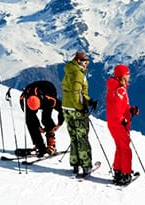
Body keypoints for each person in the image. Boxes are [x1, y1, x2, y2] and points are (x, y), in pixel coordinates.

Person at [61, 50, 97, 178]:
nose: (87, 64)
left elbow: (75, 92)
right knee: (82, 137)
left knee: (74, 136)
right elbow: (75, 93)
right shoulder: (78, 73)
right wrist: (81, 107)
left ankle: (75, 163)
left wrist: (89, 101)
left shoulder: (69, 70)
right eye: (85, 61)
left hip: (66, 107)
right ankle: (86, 166)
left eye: (88, 62)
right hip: (76, 109)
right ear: (78, 61)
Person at [106, 64, 139, 185]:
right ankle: (125, 173)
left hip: (113, 123)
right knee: (125, 149)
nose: (129, 76)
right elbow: (116, 109)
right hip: (119, 124)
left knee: (120, 147)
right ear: (122, 76)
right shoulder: (119, 90)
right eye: (127, 74)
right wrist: (122, 119)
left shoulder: (114, 87)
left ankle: (118, 171)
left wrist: (130, 110)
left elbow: (120, 106)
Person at [19, 80, 63, 156]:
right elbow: (31, 117)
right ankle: (39, 145)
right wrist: (38, 126)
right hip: (32, 91)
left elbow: (62, 109)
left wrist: (59, 123)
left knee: (46, 118)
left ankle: (51, 145)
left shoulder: (49, 99)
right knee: (30, 121)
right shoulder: (24, 100)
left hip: (48, 88)